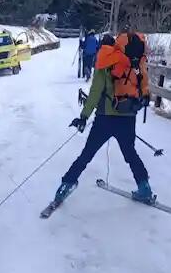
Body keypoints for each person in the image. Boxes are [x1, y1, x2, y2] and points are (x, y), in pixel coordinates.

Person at [53, 30, 153, 204]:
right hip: (128, 116)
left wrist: (84, 116)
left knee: (87, 154)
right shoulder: (134, 61)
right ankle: (144, 187)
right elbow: (143, 87)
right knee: (130, 154)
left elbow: (95, 92)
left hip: (105, 118)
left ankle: (66, 185)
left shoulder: (105, 62)